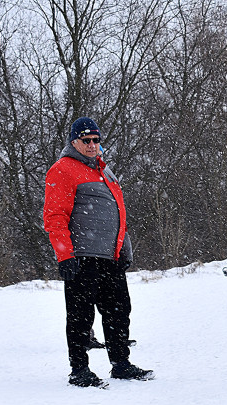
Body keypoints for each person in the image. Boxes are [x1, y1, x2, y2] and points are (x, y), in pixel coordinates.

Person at [44, 116, 153, 387]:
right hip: (82, 256)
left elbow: (117, 213)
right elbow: (55, 216)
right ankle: (79, 369)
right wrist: (65, 255)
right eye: (86, 140)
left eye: (96, 140)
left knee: (119, 311)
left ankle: (121, 364)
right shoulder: (63, 169)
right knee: (80, 316)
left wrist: (124, 248)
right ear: (74, 142)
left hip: (110, 257)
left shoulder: (104, 171)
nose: (92, 145)